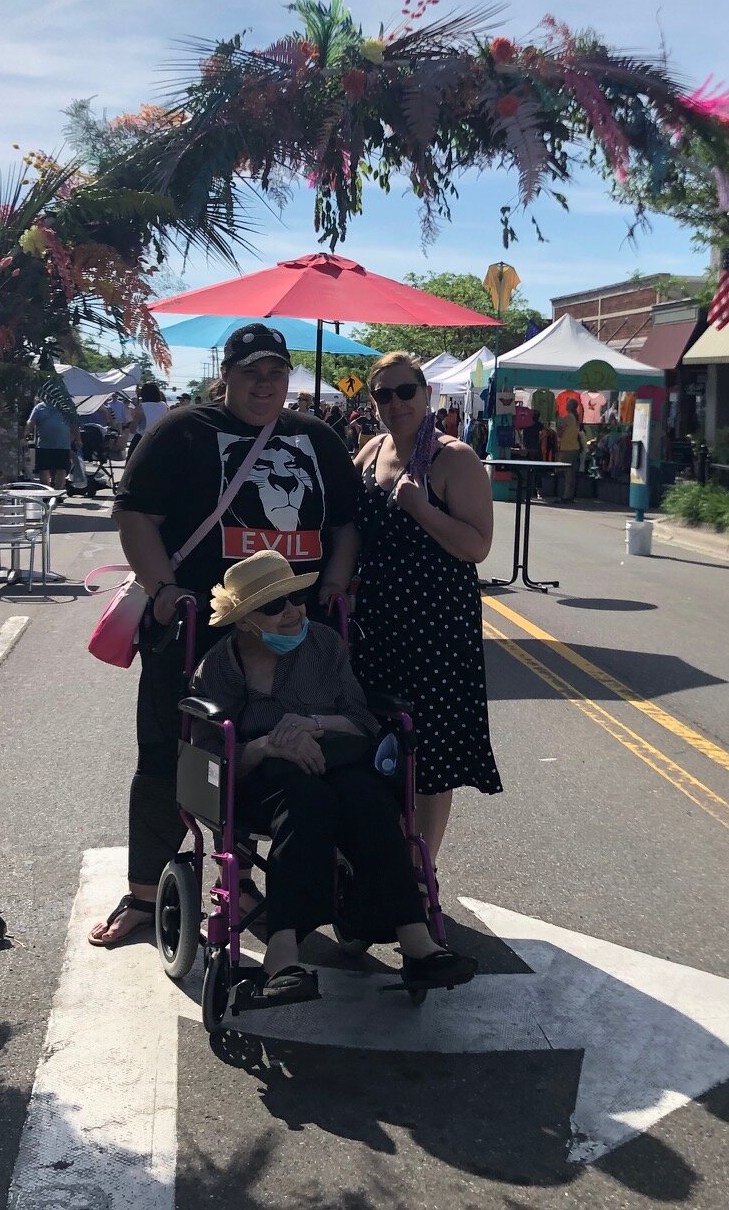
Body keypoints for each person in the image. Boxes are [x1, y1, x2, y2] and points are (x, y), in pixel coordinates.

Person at [91, 323, 361, 948]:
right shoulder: (184, 432)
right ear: (227, 376)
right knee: (170, 755)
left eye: (275, 374)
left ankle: (248, 885)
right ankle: (144, 895)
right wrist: (163, 590)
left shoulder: (315, 439)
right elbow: (136, 516)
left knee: (274, 753)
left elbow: (346, 523)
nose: (264, 386)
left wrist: (337, 585)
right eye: (251, 373)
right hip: (194, 631)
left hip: (295, 635)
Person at [195, 551, 477, 1005]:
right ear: (246, 620)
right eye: (274, 605)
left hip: (338, 764)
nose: (292, 611)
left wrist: (310, 723)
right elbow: (207, 751)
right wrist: (268, 744)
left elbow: (361, 719)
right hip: (262, 784)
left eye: (296, 598)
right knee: (307, 802)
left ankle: (416, 941)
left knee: (368, 799)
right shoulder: (219, 667)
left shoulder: (324, 645)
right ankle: (282, 955)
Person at [351, 351, 499, 866]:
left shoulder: (453, 458)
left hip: (437, 628)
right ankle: (378, 855)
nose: (395, 403)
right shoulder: (371, 452)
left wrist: (421, 508)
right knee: (376, 739)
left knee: (431, 753)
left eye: (405, 391)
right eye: (383, 394)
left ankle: (420, 869)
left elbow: (477, 546)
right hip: (374, 625)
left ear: (426, 394)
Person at [25, 396, 75, 491]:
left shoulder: (67, 408)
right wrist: (27, 433)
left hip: (63, 445)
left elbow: (74, 424)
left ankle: (57, 492)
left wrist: (77, 439)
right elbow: (31, 421)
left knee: (61, 469)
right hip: (44, 445)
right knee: (43, 469)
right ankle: (47, 492)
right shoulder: (39, 407)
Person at [553, 403, 581, 502]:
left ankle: (566, 496)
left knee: (567, 473)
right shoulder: (575, 418)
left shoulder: (568, 418)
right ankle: (570, 495)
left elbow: (560, 433)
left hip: (567, 448)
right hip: (575, 447)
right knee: (572, 473)